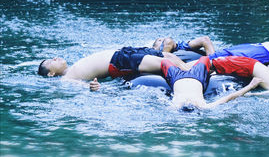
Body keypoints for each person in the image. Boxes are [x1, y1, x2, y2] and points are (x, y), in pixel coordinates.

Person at [37, 47, 190, 91]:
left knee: (165, 55)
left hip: (122, 53)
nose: (55, 58)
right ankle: (190, 74)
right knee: (162, 62)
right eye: (51, 61)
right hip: (118, 63)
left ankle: (192, 68)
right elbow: (81, 86)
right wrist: (92, 86)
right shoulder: (67, 78)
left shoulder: (74, 66)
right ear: (51, 74)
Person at [161, 56, 262, 111]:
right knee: (204, 59)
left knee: (165, 61)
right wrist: (251, 86)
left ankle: (185, 67)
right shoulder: (203, 106)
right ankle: (187, 67)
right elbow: (229, 97)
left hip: (176, 77)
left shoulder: (175, 106)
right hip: (198, 77)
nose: (188, 102)